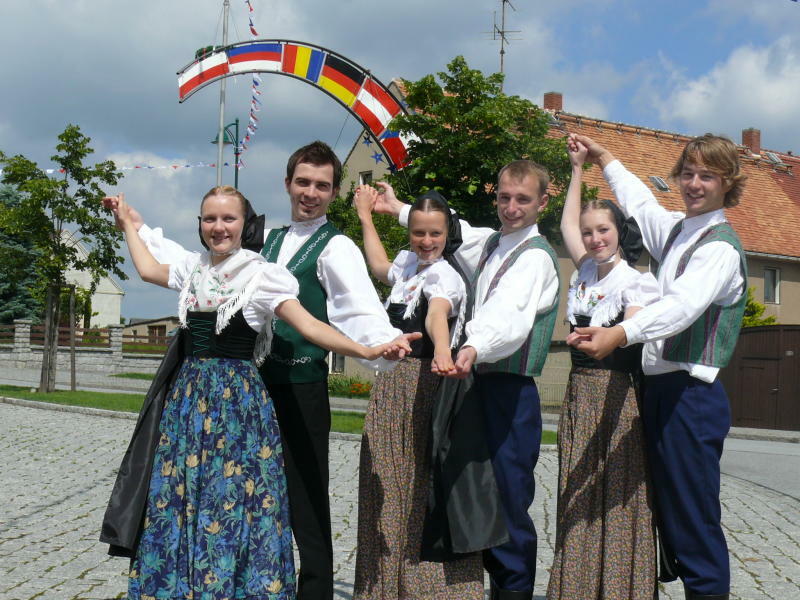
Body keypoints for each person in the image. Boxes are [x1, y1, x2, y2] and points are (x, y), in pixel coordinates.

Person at [121, 141, 406, 600]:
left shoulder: (336, 246)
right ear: (287, 184)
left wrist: (374, 345)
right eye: (303, 182)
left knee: (304, 500)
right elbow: (205, 269)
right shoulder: (264, 241)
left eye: (322, 185)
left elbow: (350, 309)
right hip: (246, 388)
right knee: (230, 493)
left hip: (298, 385)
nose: (310, 193)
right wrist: (135, 226)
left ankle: (309, 592)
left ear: (333, 193)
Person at [569, 133, 748, 600]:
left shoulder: (720, 248)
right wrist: (605, 158)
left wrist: (619, 333)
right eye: (687, 173)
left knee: (692, 519)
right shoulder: (676, 231)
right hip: (658, 392)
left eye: (706, 175)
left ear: (727, 182)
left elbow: (681, 308)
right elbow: (639, 201)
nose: (693, 183)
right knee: (667, 516)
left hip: (691, 396)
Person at [373, 159, 560, 600]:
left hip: (508, 393)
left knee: (507, 506)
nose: (511, 207)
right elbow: (450, 228)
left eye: (523, 199)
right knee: (470, 500)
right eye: (504, 197)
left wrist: (471, 346)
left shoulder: (535, 259)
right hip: (474, 386)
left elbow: (507, 315)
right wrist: (397, 207)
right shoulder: (492, 241)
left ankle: (513, 594)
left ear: (543, 203)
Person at [351, 185, 484, 599]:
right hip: (392, 383)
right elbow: (378, 266)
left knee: (412, 487)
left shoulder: (444, 274)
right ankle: (384, 585)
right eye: (419, 233)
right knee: (385, 485)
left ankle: (417, 588)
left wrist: (443, 351)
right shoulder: (408, 264)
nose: (426, 242)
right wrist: (365, 218)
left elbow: (438, 315)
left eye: (434, 234)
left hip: (423, 384)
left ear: (448, 235)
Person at [546, 136, 659, 599]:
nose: (593, 238)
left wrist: (599, 341)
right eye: (589, 232)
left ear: (620, 233)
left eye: (603, 231)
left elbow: (624, 336)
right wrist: (576, 168)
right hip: (579, 396)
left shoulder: (635, 283)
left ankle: (615, 589)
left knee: (613, 497)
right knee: (576, 495)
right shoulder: (586, 272)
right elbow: (566, 221)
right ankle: (574, 585)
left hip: (617, 397)